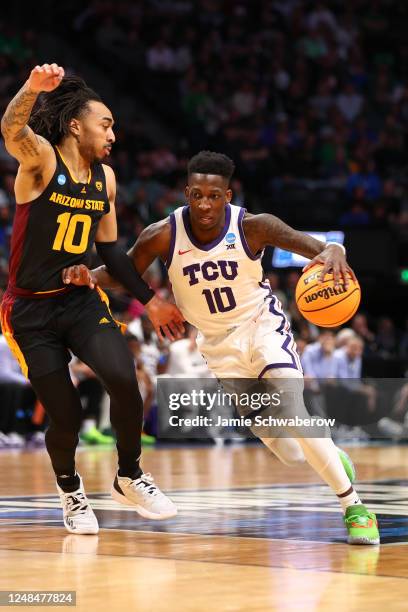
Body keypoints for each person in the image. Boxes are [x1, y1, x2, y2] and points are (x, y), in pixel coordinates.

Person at [65, 151, 380, 545]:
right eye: (196, 195)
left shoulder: (254, 226)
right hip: (217, 346)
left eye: (213, 196)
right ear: (186, 193)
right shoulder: (163, 233)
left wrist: (337, 250)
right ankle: (334, 459)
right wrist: (87, 277)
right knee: (290, 452)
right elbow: (121, 272)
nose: (204, 204)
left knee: (293, 408)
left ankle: (354, 507)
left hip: (261, 329)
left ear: (227, 196)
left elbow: (319, 248)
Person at [0, 63, 184, 534]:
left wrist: (152, 300)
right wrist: (31, 89)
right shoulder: (41, 160)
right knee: (67, 414)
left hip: (78, 299)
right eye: (106, 125)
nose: (113, 135)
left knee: (126, 380)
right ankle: (70, 489)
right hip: (29, 310)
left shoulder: (106, 178)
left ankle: (130, 475)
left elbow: (112, 252)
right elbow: (10, 128)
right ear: (75, 125)